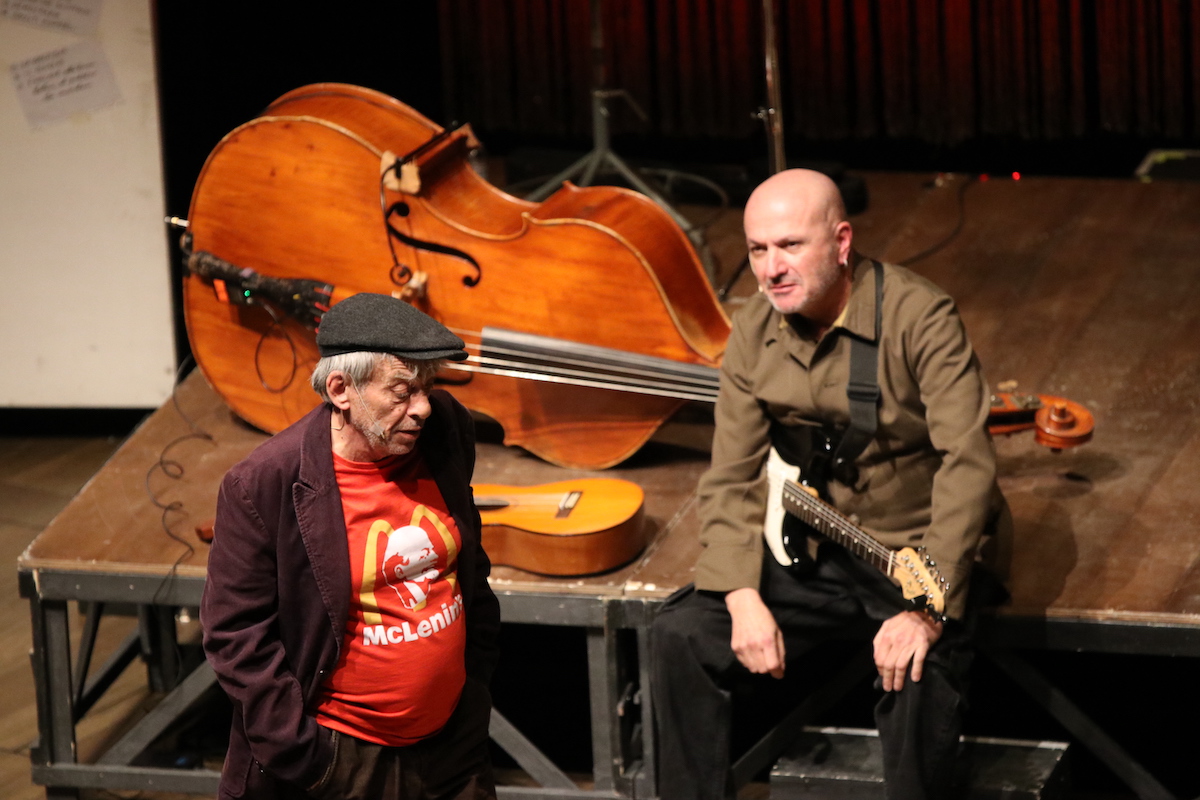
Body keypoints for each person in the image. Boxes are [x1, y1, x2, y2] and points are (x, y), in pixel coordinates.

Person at [652, 170, 1010, 800]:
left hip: (916, 555)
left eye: (790, 245)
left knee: (918, 677)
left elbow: (969, 463)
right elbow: (732, 473)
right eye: (758, 250)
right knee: (680, 633)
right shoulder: (753, 330)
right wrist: (740, 595)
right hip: (819, 549)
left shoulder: (919, 317)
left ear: (842, 242)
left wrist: (925, 611)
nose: (771, 269)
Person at [201, 292, 502, 800]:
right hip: (344, 763)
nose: (422, 407)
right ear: (341, 389)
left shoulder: (445, 430)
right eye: (402, 391)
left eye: (427, 387)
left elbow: (471, 566)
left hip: (454, 746)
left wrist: (475, 690)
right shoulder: (263, 484)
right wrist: (311, 760)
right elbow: (235, 635)